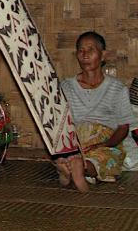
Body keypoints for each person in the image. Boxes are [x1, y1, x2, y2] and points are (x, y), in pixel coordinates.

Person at [55, 31, 134, 192]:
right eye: (81, 50)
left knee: (107, 158)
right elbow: (60, 122)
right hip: (76, 140)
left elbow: (123, 127)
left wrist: (104, 144)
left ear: (103, 55)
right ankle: (74, 167)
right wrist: (71, 145)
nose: (85, 55)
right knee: (70, 154)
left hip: (106, 142)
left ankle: (76, 169)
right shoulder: (67, 87)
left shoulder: (117, 88)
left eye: (91, 50)